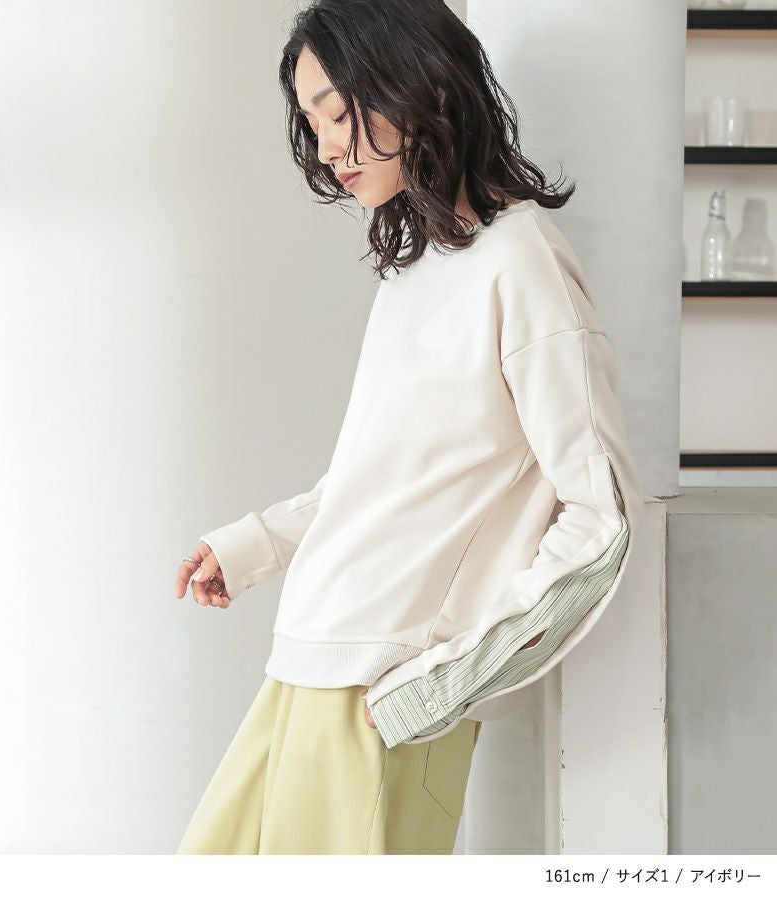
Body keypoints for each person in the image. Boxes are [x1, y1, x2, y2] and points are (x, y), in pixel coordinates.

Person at [174, 0, 644, 854]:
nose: (326, 147)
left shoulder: (521, 262)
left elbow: (601, 522)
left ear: (422, 87)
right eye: (313, 122)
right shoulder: (419, 267)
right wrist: (254, 546)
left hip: (377, 695)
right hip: (305, 664)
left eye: (339, 113)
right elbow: (378, 480)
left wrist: (436, 689)